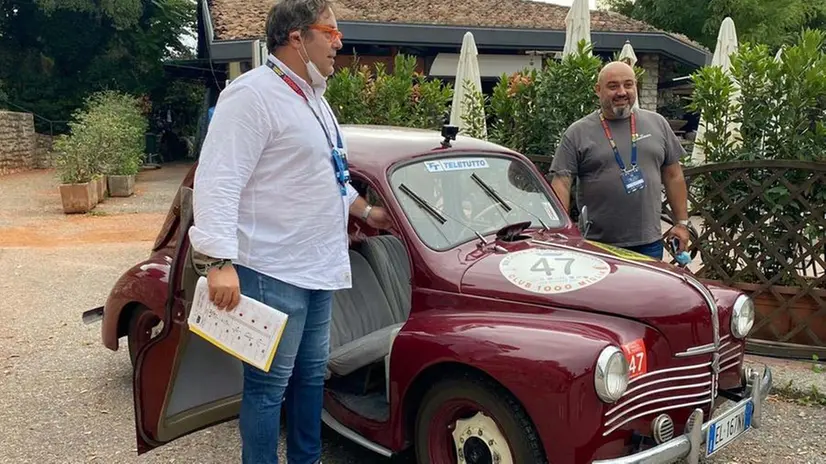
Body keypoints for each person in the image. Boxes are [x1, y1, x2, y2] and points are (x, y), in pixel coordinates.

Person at [187, 1, 393, 463]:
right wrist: (218, 261)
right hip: (270, 268)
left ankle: (307, 458)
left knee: (311, 378)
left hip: (318, 266)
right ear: (297, 37)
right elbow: (218, 179)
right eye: (331, 31)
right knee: (268, 388)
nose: (340, 42)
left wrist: (366, 211)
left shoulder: (315, 99)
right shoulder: (252, 94)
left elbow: (327, 177)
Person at [549, 61, 690, 260]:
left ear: (636, 87)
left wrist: (682, 224)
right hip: (598, 244)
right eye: (613, 86)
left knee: (648, 292)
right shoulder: (577, 132)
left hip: (649, 243)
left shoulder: (657, 123)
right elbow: (561, 183)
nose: (622, 92)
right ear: (598, 90)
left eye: (628, 84)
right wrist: (561, 232)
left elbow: (674, 176)